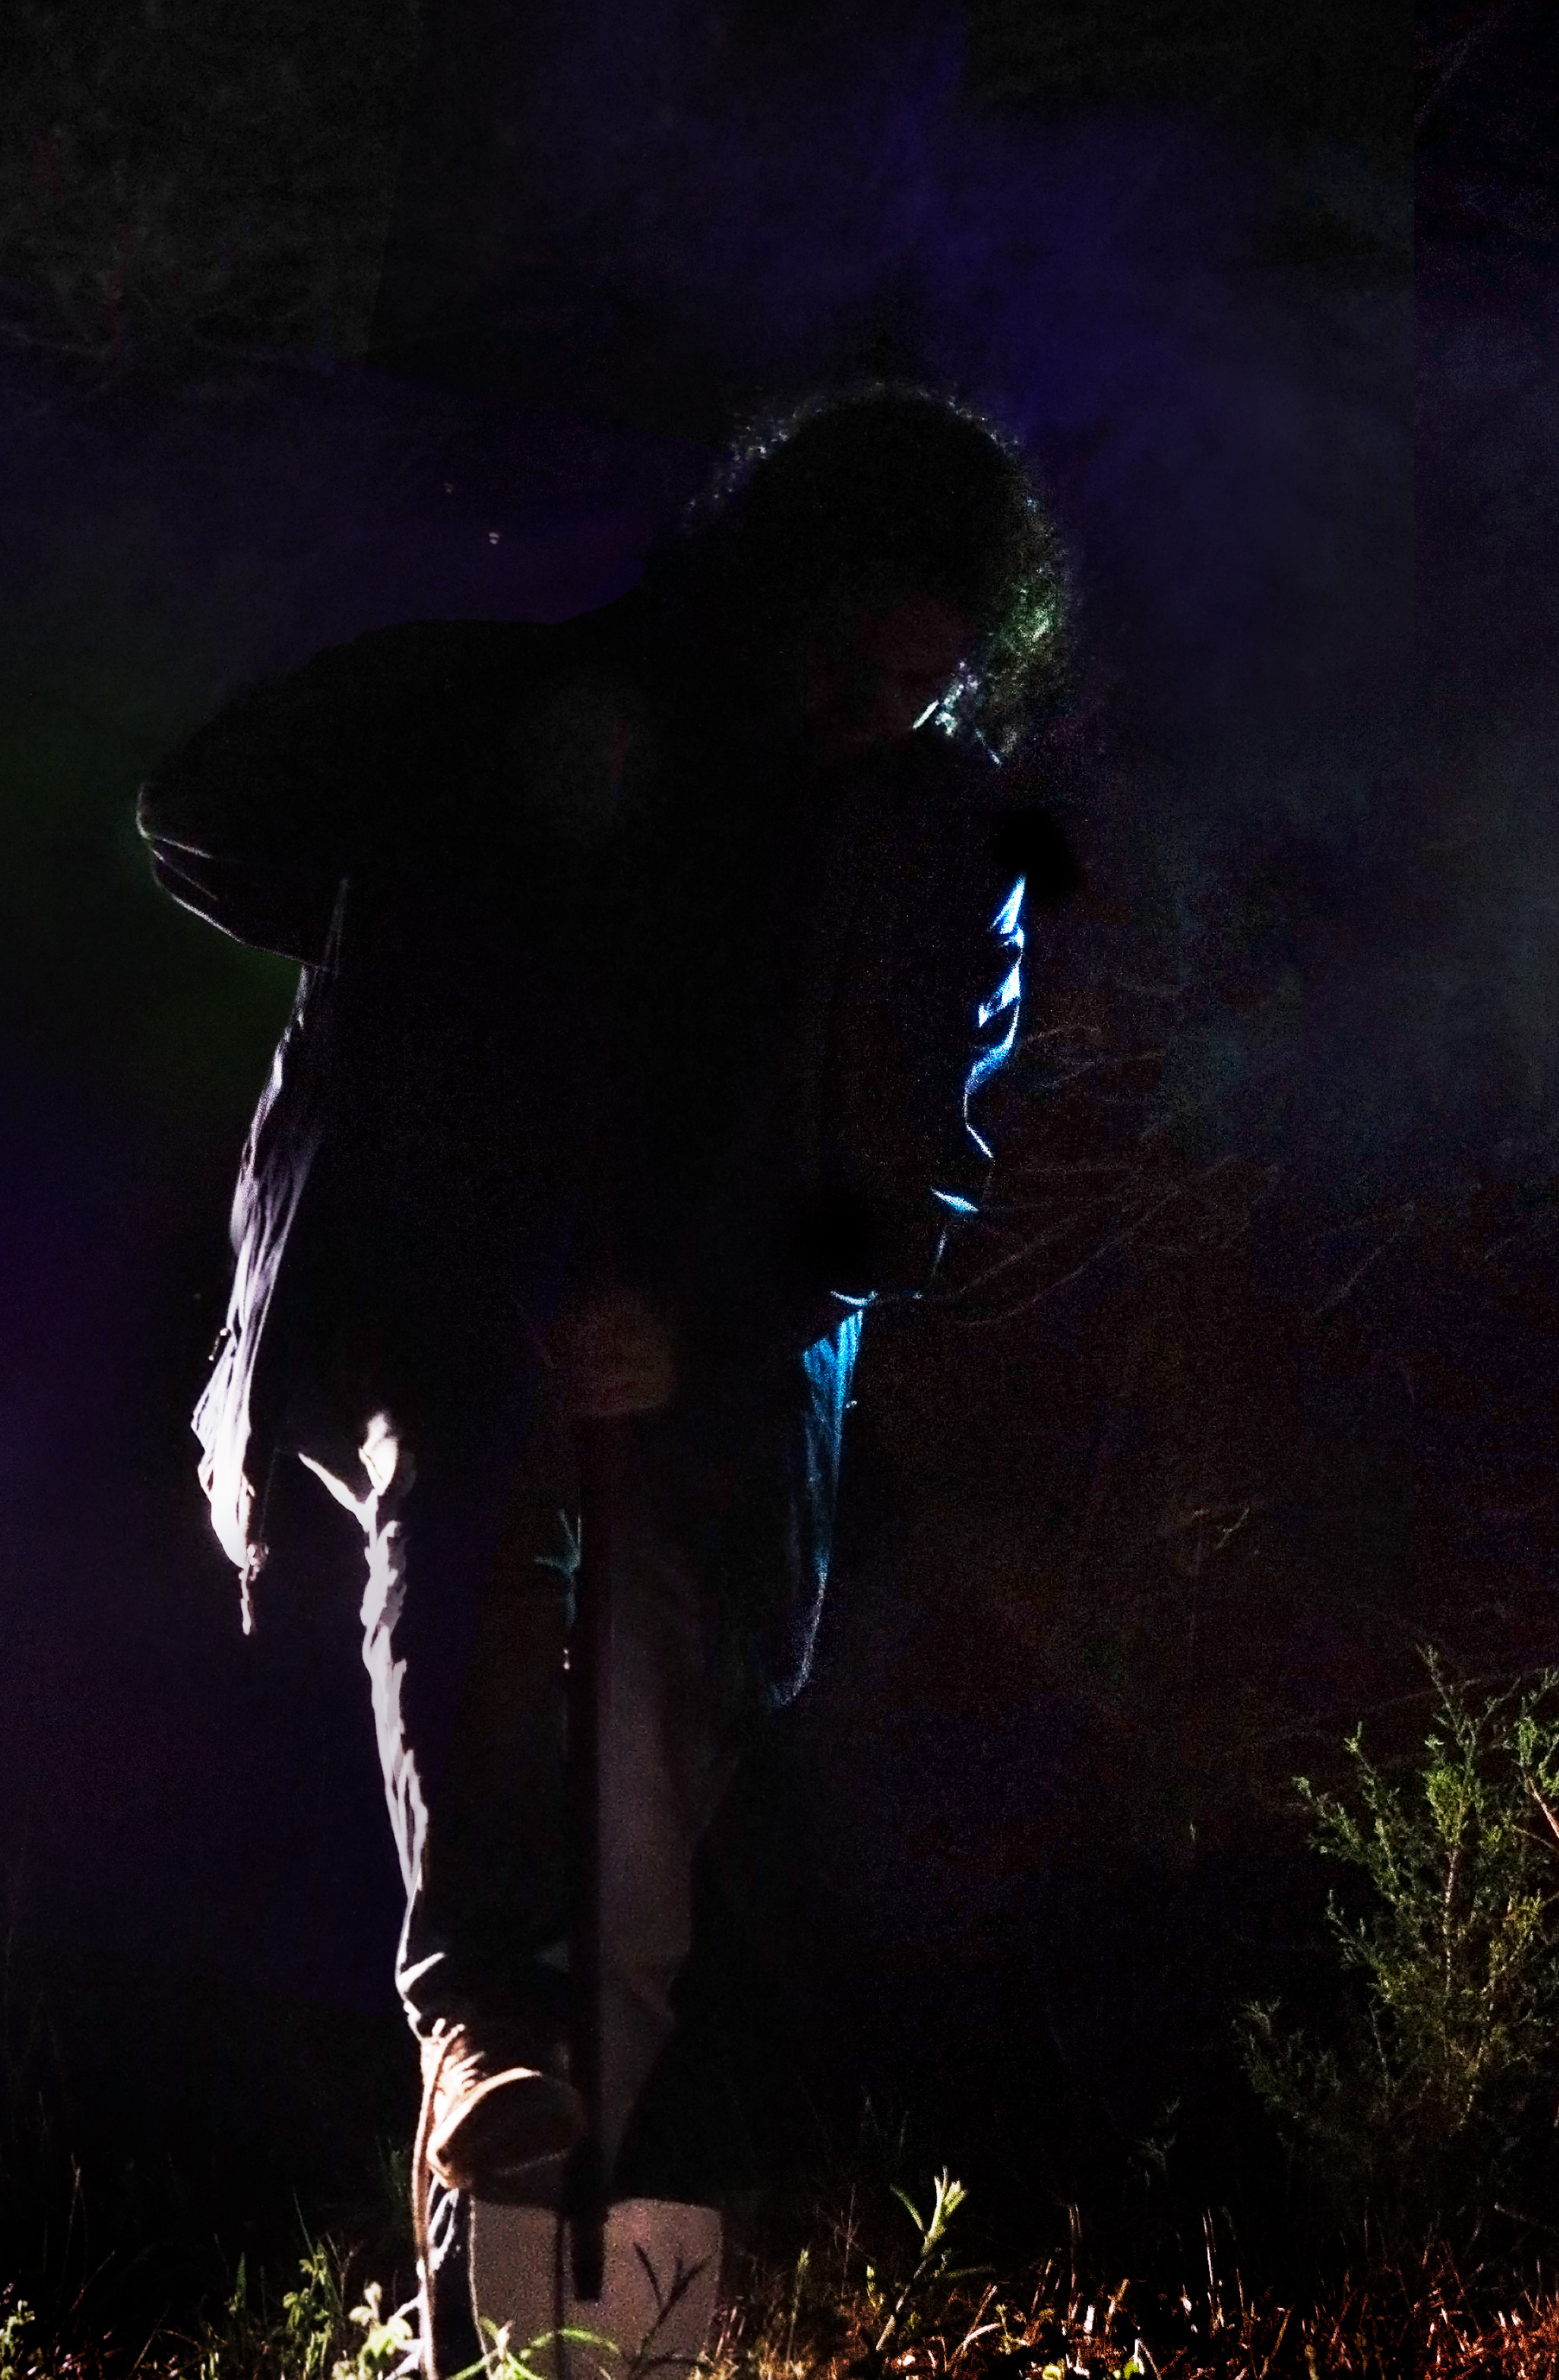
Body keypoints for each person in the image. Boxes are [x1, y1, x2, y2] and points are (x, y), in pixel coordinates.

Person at [137, 381, 1072, 2374]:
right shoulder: (537, 715)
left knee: (641, 1916)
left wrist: (716, 1325)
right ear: (779, 591)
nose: (877, 708)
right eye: (852, 658)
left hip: (719, 1431)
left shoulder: (932, 843)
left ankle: (583, 2340)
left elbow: (912, 1194)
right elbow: (201, 806)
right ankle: (488, 2273)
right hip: (459, 1355)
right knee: (490, 1785)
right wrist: (410, 933)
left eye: (923, 678)